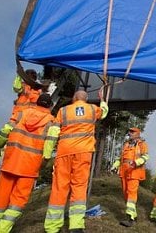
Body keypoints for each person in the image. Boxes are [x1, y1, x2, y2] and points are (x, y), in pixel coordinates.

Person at [0, 93, 56, 233]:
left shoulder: (20, 114)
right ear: (51, 106)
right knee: (16, 204)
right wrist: (45, 161)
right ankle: (1, 230)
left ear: (37, 102)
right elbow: (49, 146)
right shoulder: (51, 122)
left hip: (10, 162)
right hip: (30, 168)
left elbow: (5, 131)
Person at [44, 90, 109, 233]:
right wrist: (103, 99)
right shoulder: (92, 109)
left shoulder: (63, 111)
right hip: (84, 152)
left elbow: (53, 132)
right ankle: (76, 226)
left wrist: (47, 154)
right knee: (79, 187)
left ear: (74, 98)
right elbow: (104, 112)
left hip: (64, 152)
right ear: (86, 99)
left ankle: (52, 227)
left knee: (59, 187)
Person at [111, 127, 149, 227]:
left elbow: (145, 157)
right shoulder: (126, 144)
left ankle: (130, 218)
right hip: (124, 172)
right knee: (126, 194)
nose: (130, 133)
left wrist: (136, 162)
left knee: (131, 195)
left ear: (137, 133)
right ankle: (134, 215)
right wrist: (115, 166)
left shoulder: (142, 144)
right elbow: (120, 158)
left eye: (132, 132)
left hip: (134, 172)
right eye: (129, 132)